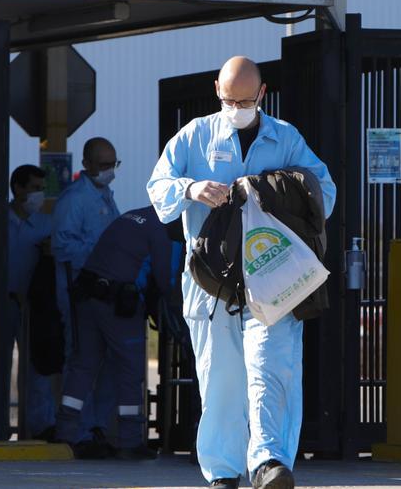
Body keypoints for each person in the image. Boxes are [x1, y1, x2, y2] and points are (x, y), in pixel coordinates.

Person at [148, 56, 336, 489]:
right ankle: (223, 472)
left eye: (246, 100)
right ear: (217, 89)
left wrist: (276, 193)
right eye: (231, 99)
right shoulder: (195, 135)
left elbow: (325, 193)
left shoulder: (285, 138)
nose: (237, 107)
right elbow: (158, 187)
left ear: (263, 95)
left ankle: (269, 461)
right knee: (221, 380)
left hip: (273, 276)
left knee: (273, 368)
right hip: (212, 283)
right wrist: (191, 188)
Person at [55, 205, 178, 460]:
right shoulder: (162, 228)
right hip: (118, 303)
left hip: (88, 295)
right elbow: (166, 279)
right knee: (130, 369)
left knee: (84, 364)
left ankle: (66, 434)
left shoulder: (133, 216)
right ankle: (129, 441)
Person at [52, 137, 122, 450]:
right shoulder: (74, 200)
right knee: (80, 360)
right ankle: (76, 431)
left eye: (113, 165)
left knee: (107, 361)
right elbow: (62, 247)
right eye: (104, 165)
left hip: (104, 294)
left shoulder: (105, 196)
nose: (109, 171)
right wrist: (101, 251)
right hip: (79, 292)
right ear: (87, 165)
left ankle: (97, 428)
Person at [6, 164, 56, 441]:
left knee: (38, 367)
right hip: (3, 305)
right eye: (35, 189)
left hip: (34, 307)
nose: (40, 195)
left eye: (42, 189)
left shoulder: (45, 225)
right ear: (18, 189)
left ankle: (41, 424)